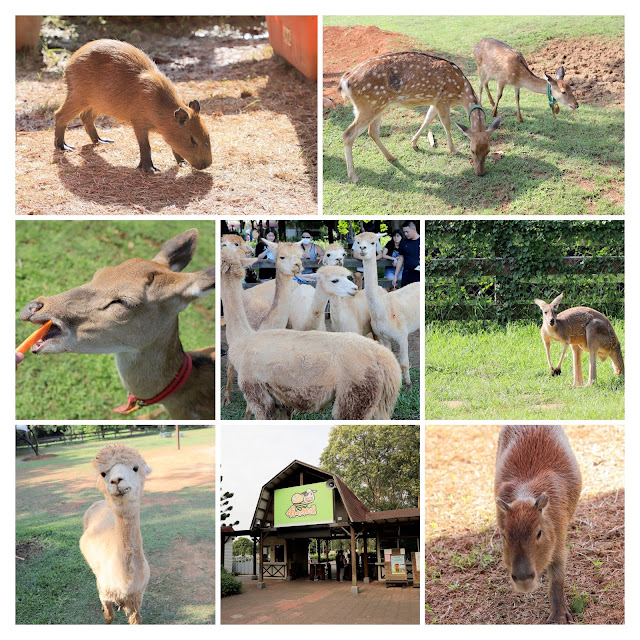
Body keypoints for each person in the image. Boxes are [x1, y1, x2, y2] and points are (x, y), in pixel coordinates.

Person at [393, 221, 421, 289]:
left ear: (414, 229)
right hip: (407, 275)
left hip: (418, 275)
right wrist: (395, 276)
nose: (405, 234)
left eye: (407, 232)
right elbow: (401, 259)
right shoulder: (404, 242)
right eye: (404, 232)